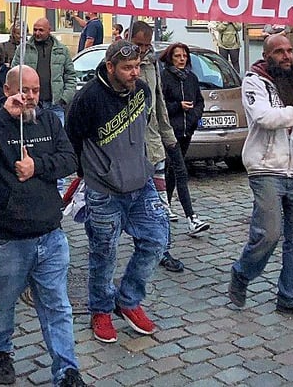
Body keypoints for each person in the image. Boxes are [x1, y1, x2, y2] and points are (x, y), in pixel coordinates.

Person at [0, 65, 86, 387]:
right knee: (2, 301)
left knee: (57, 305)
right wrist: (4, 116)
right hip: (10, 237)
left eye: (35, 90)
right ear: (8, 90)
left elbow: (70, 159)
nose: (30, 97)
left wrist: (37, 166)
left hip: (49, 232)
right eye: (24, 90)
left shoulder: (47, 120)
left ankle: (67, 370)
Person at [65, 40, 168, 343]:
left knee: (157, 240)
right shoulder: (87, 99)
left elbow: (146, 128)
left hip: (141, 183)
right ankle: (100, 309)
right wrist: (90, 173)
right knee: (104, 253)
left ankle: (128, 299)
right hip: (104, 190)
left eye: (136, 66)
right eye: (127, 68)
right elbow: (73, 141)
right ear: (110, 67)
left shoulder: (142, 91)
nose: (134, 72)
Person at [227, 33, 293, 322]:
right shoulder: (254, 82)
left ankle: (292, 297)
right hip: (266, 166)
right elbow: (265, 118)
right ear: (267, 55)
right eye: (279, 52)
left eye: (289, 51)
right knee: (268, 233)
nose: (286, 56)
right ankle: (243, 272)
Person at [129, 21, 191, 273]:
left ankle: (163, 249)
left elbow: (159, 102)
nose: (143, 50)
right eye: (138, 45)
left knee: (159, 203)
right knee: (130, 204)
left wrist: (169, 136)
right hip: (128, 148)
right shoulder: (117, 65)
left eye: (146, 45)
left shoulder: (153, 63)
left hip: (153, 144)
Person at [159, 43, 211, 236]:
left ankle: (166, 205)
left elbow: (199, 101)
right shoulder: (164, 77)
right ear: (170, 58)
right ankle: (192, 218)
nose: (181, 59)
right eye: (177, 56)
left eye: (184, 56)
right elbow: (161, 105)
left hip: (186, 131)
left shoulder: (191, 78)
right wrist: (178, 106)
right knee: (180, 171)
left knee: (172, 170)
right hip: (170, 131)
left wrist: (194, 117)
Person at [21, 18, 76, 125]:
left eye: (41, 30)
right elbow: (15, 74)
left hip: (55, 105)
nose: (37, 33)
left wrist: (64, 99)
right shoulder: (24, 49)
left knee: (57, 139)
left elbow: (71, 76)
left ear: (49, 30)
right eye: (35, 30)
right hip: (30, 104)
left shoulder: (62, 50)